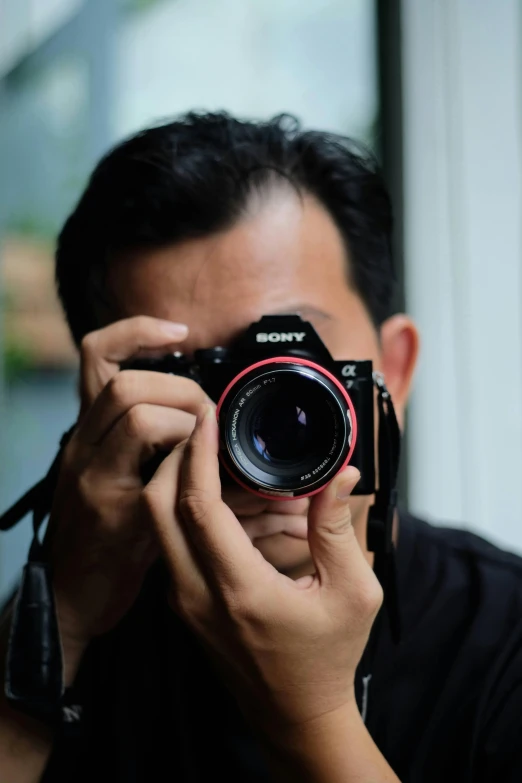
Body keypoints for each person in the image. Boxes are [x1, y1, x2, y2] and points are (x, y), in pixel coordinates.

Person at [0, 111, 521, 783]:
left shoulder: (506, 639)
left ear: (391, 371)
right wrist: (61, 615)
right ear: (113, 406)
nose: (252, 422)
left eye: (296, 361)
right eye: (194, 373)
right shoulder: (75, 616)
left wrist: (312, 720)